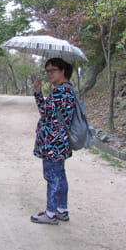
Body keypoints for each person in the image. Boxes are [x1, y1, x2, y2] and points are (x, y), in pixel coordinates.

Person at [31, 57, 76, 225]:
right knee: (60, 175)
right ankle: (61, 209)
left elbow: (45, 112)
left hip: (53, 142)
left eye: (53, 70)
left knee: (52, 176)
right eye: (47, 70)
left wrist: (37, 93)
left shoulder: (59, 92)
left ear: (63, 70)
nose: (49, 74)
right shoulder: (68, 89)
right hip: (60, 141)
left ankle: (50, 213)